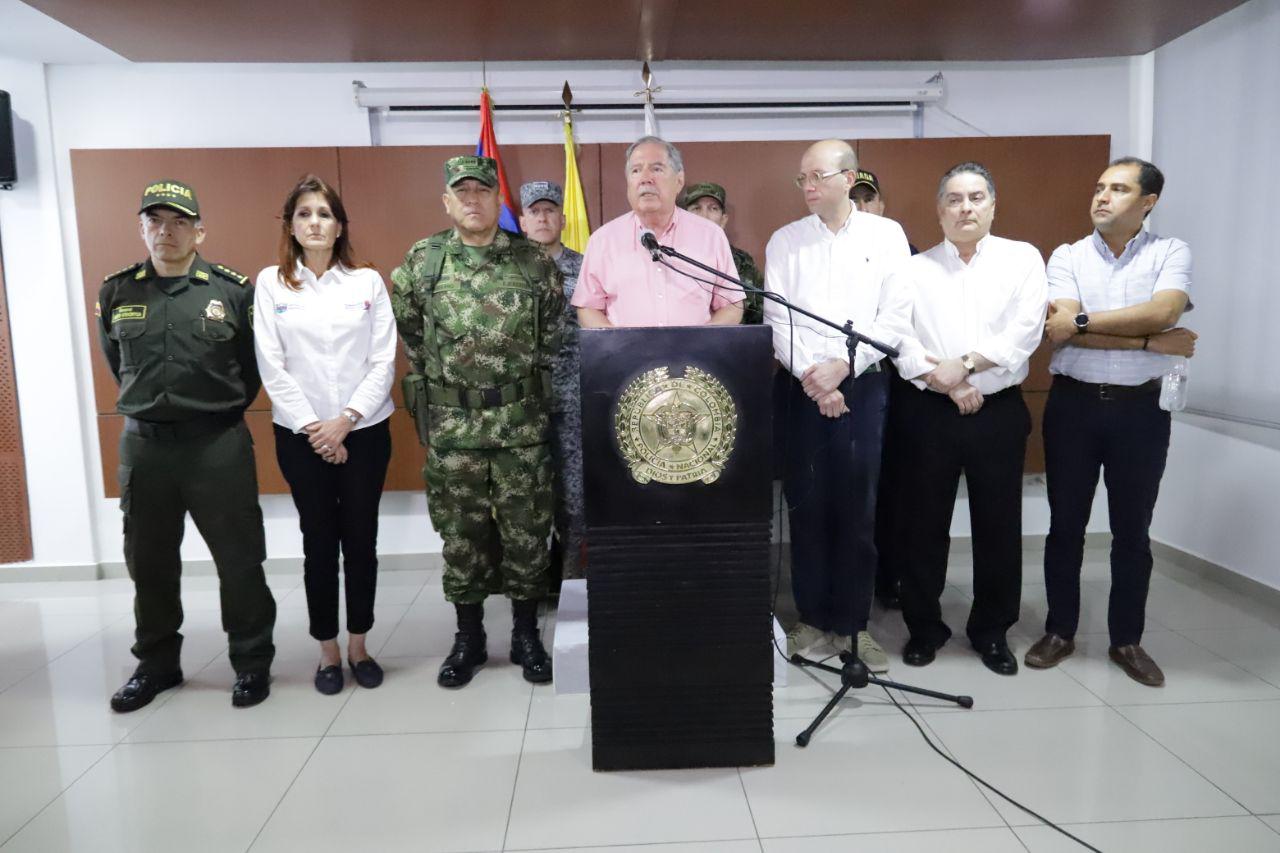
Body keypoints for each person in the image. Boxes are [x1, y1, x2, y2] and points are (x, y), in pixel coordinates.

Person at [97, 179, 275, 711]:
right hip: (146, 447)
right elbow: (117, 365)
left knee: (240, 561)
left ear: (200, 230)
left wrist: (214, 411)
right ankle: (156, 665)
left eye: (178, 221)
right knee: (148, 562)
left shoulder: (231, 291)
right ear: (141, 228)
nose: (165, 231)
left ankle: (250, 663)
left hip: (215, 443)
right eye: (154, 221)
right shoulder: (117, 291)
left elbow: (252, 368)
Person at [391, 155, 564, 689]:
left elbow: (553, 334)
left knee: (528, 534)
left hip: (521, 428)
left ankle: (524, 634)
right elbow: (412, 334)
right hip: (454, 430)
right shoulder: (423, 262)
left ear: (498, 200)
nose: (472, 199)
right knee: (461, 537)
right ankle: (469, 637)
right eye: (461, 191)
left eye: (482, 191)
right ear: (447, 201)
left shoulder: (534, 261)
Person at [1030, 157, 1198, 687]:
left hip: (1142, 411)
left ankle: (1127, 640)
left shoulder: (1170, 252)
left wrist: (1085, 321)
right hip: (1073, 407)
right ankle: (1060, 631)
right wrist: (1147, 340)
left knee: (1133, 533)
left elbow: (1164, 311)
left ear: (1147, 202)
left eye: (1119, 189)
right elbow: (1060, 330)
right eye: (1099, 186)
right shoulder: (1068, 255)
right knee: (1065, 527)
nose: (1102, 196)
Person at [890, 162, 1047, 675]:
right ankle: (924, 628)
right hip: (929, 410)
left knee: (998, 526)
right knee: (922, 526)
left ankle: (992, 631)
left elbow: (1025, 331)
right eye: (954, 199)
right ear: (939, 209)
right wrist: (948, 380)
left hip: (996, 411)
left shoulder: (1022, 260)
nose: (965, 208)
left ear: (993, 205)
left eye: (976, 197)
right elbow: (900, 337)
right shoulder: (913, 268)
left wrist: (970, 369)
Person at [764, 139, 912, 673]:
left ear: (849, 178)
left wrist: (844, 370)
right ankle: (810, 616)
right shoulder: (785, 241)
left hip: (864, 386)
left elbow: (895, 314)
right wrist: (817, 381)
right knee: (806, 506)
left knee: (856, 510)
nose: (807, 187)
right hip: (803, 389)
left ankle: (853, 625)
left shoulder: (886, 235)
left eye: (818, 176)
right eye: (801, 178)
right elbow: (777, 318)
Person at [254, 174, 397, 695]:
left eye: (325, 214)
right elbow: (271, 365)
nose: (315, 223)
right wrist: (317, 428)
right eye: (305, 214)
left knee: (361, 540)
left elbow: (383, 361)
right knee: (319, 542)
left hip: (364, 431)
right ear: (291, 226)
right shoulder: (271, 283)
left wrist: (346, 420)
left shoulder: (368, 282)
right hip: (300, 435)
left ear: (340, 226)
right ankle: (327, 652)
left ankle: (359, 646)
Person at [572, 136, 743, 328]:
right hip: (628, 356)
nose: (646, 179)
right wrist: (620, 347)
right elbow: (588, 307)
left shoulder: (710, 236)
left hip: (694, 357)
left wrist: (700, 344)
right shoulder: (603, 240)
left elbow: (732, 305)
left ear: (679, 181)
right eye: (636, 171)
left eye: (656, 169)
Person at [850, 168, 918, 611]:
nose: (861, 207)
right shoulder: (824, 252)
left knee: (897, 486)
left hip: (904, 387)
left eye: (868, 199)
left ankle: (891, 577)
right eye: (853, 199)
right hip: (853, 384)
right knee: (856, 486)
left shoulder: (907, 254)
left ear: (882, 205)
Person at [518, 180, 586, 582]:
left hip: (575, 400)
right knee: (526, 496)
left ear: (562, 218)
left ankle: (574, 579)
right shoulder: (507, 271)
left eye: (549, 210)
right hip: (524, 404)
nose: (543, 218)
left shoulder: (586, 267)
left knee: (576, 498)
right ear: (523, 221)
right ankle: (533, 582)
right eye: (534, 212)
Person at [679, 182, 764, 324]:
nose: (704, 216)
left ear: (723, 220)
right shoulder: (670, 257)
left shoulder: (742, 262)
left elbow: (758, 315)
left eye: (713, 209)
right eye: (696, 208)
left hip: (732, 342)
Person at [850, 169, 920, 254]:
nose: (863, 209)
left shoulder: (902, 248)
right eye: (854, 200)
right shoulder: (835, 248)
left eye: (868, 199)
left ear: (881, 207)